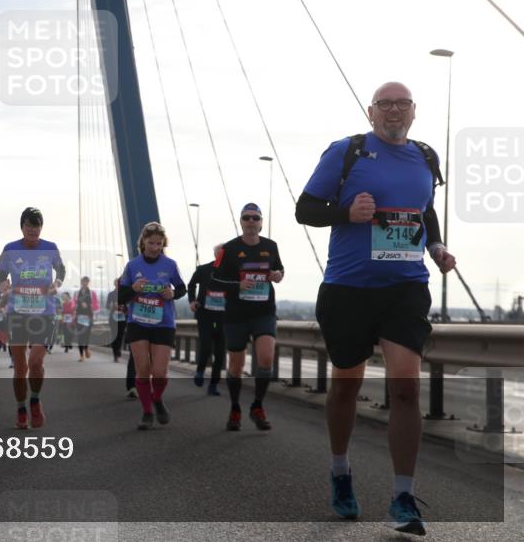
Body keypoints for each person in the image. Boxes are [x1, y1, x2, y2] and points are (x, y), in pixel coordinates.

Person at [295, 81, 455, 535]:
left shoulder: (425, 157)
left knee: (406, 387)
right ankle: (341, 472)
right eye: (385, 104)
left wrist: (438, 247)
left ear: (414, 111)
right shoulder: (346, 151)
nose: (394, 110)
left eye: (402, 103)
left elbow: (425, 211)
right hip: (349, 288)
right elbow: (305, 209)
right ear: (371, 112)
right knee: (347, 384)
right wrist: (347, 212)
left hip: (405, 288)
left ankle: (403, 496)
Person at [209, 203, 284, 433]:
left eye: (255, 218)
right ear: (240, 222)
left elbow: (280, 271)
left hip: (264, 311)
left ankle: (257, 406)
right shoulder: (229, 249)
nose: (251, 221)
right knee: (236, 366)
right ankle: (235, 409)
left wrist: (277, 275)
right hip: (237, 314)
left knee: (265, 359)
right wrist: (238, 285)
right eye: (246, 218)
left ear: (261, 222)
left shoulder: (271, 246)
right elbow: (214, 281)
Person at [0, 207, 65, 429]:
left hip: (45, 313)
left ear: (40, 228)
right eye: (29, 227)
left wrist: (58, 283)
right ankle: (21, 409)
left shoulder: (51, 248)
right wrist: (2, 285)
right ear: (22, 227)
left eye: (36, 227)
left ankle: (34, 400)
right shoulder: (10, 249)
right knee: (20, 368)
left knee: (36, 362)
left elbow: (61, 270)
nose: (33, 231)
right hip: (17, 313)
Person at [118, 222, 186, 429]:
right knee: (143, 369)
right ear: (143, 242)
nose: (155, 247)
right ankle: (147, 412)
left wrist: (172, 293)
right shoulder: (132, 266)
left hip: (164, 322)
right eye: (151, 243)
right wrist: (134, 289)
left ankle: (156, 398)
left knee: (159, 372)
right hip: (138, 322)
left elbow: (182, 288)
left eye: (159, 243)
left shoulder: (170, 265)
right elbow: (121, 296)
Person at [187, 245, 227, 396]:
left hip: (223, 317)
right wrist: (192, 301)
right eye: (219, 253)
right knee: (206, 347)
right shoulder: (203, 269)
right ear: (215, 254)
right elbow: (191, 285)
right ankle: (200, 370)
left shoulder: (233, 271)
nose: (222, 256)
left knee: (220, 352)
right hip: (205, 315)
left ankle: (214, 385)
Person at [74, 276, 99, 361]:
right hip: (79, 317)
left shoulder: (92, 293)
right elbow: (73, 304)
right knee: (80, 335)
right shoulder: (77, 293)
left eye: (86, 282)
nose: (85, 283)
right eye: (83, 281)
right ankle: (81, 355)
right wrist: (76, 306)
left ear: (88, 282)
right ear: (81, 282)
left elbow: (96, 306)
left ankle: (86, 348)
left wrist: (88, 305)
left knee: (87, 335)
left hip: (88, 316)